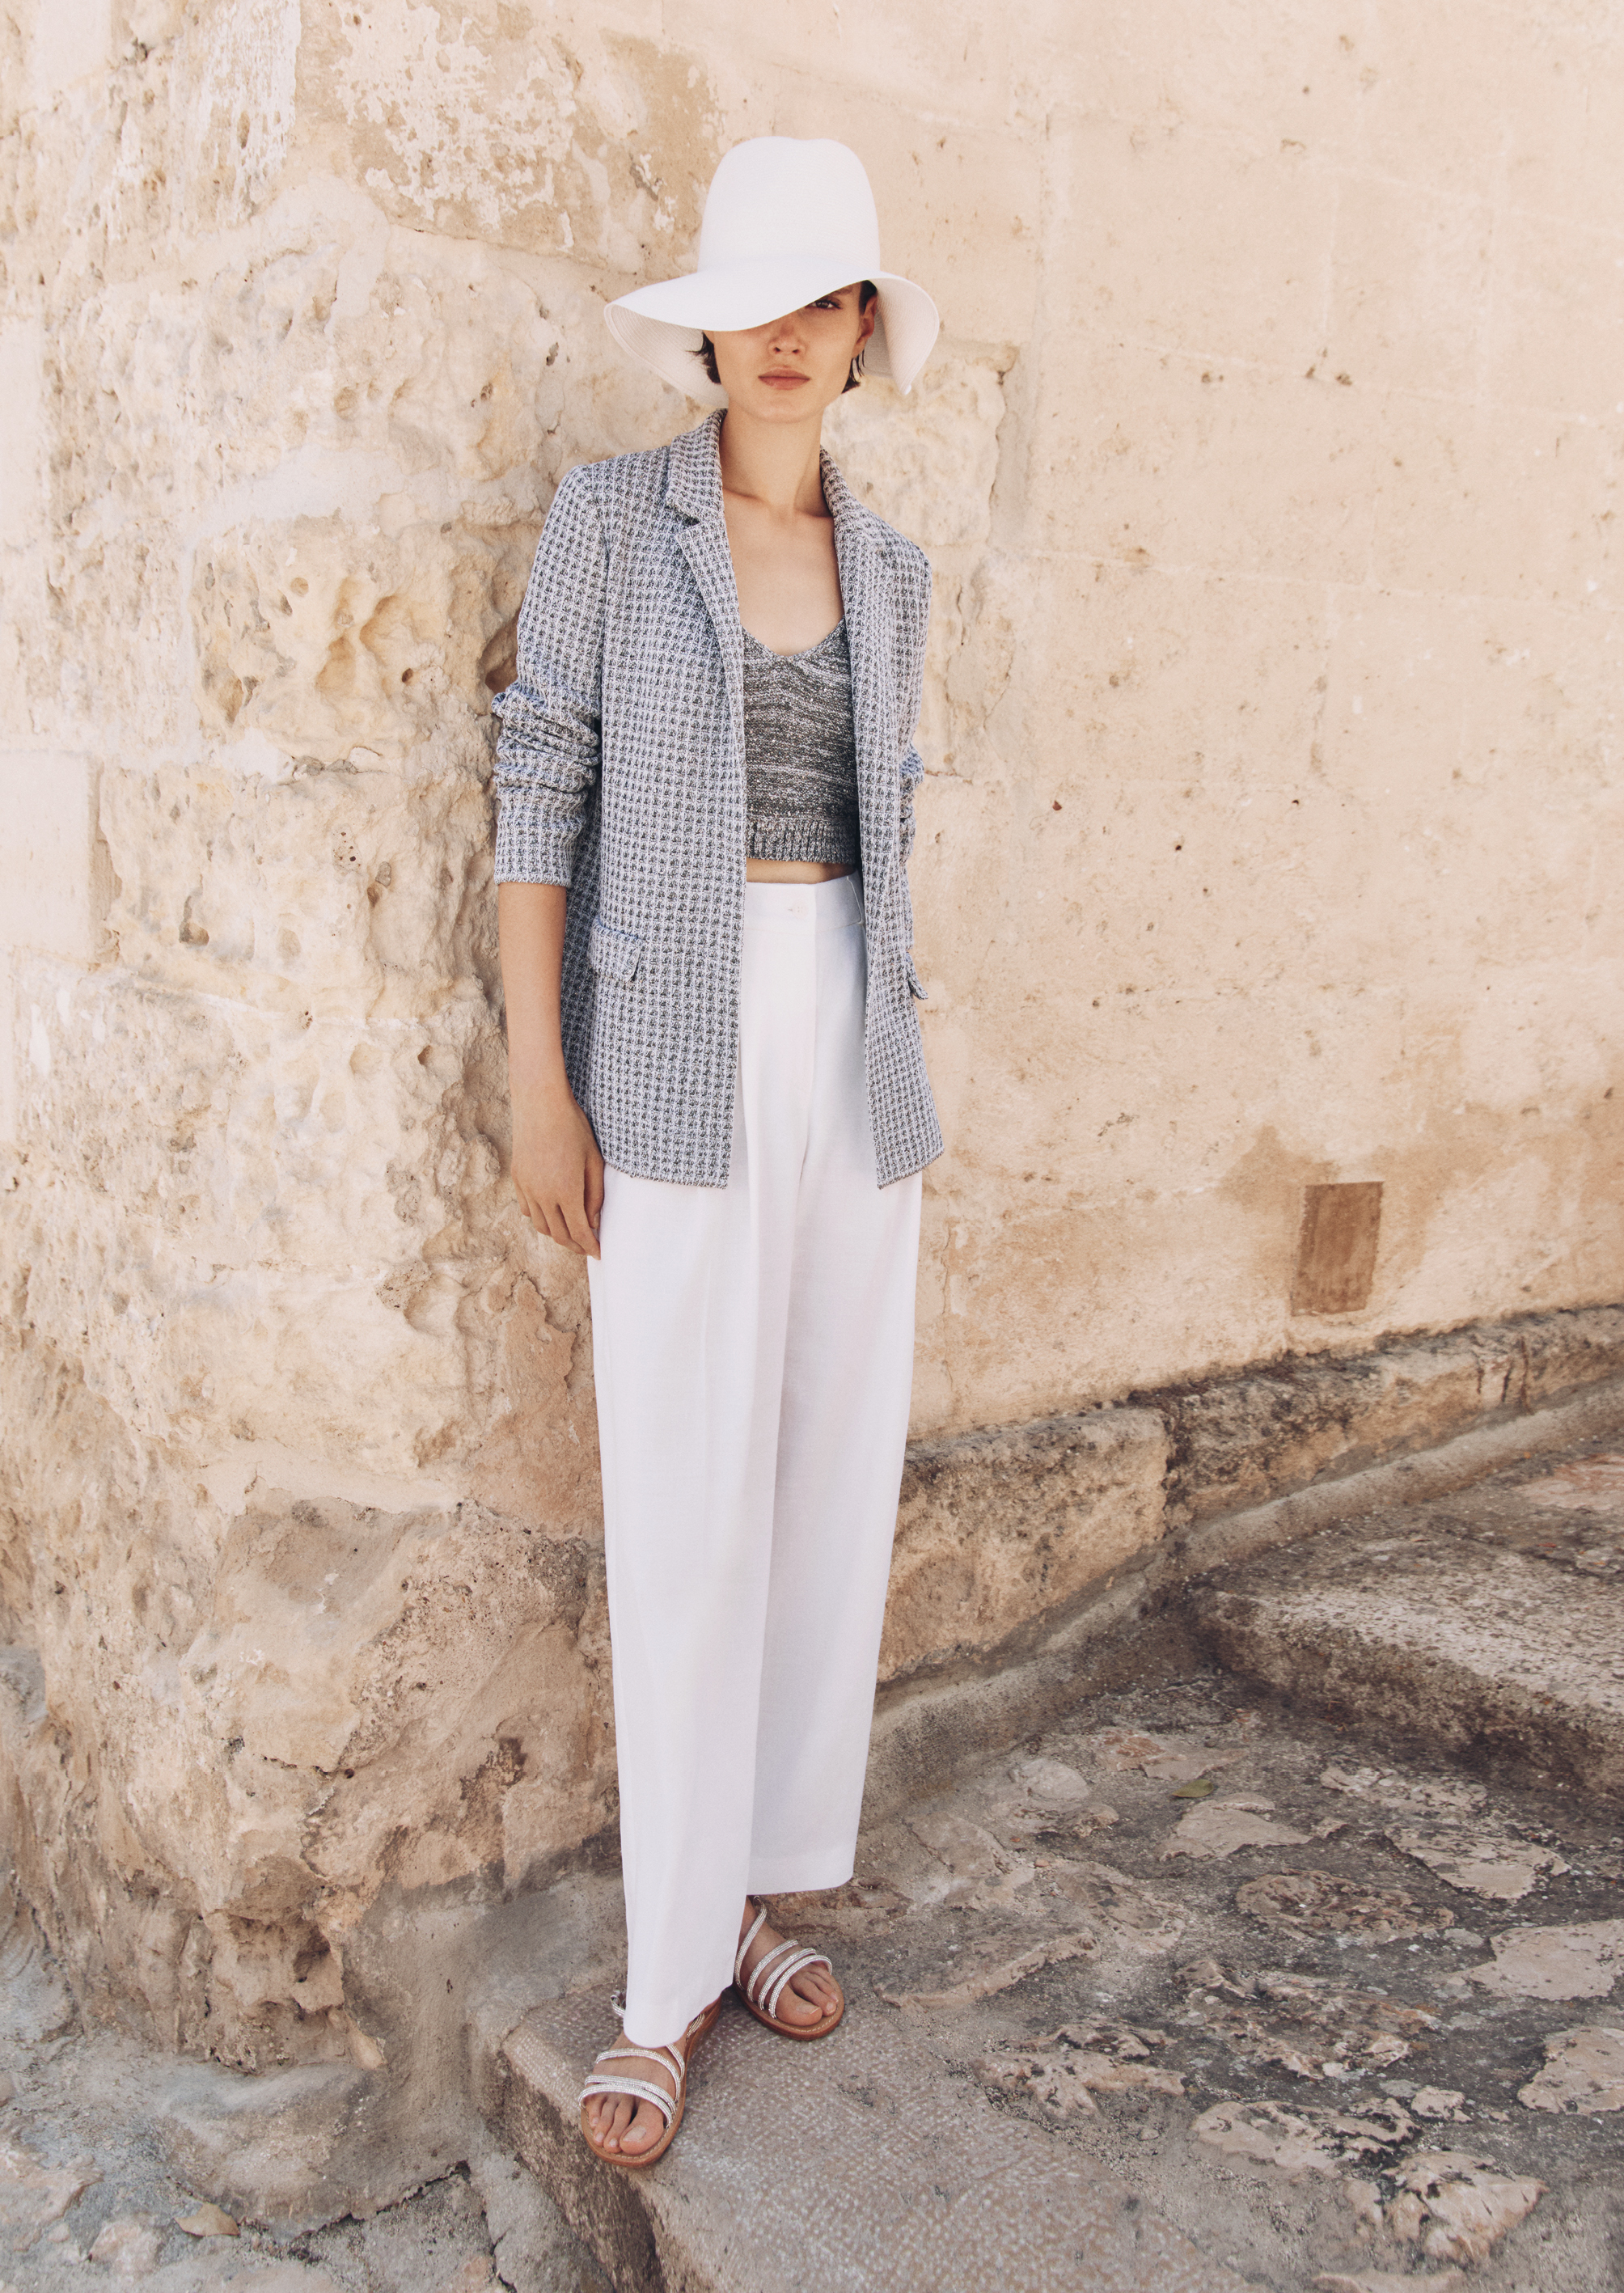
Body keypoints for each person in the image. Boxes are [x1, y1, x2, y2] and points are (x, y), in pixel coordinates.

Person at [491, 135, 942, 2168]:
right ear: (711, 329)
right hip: (670, 1040)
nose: (786, 334)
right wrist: (539, 1075)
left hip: (852, 1040)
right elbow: (538, 783)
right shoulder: (613, 519)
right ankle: (656, 1981)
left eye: (821, 300)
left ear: (856, 333)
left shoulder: (896, 572)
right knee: (684, 1496)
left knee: (823, 1483)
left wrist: (886, 1029)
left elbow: (886, 826)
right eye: (757, 299)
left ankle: (747, 1897)